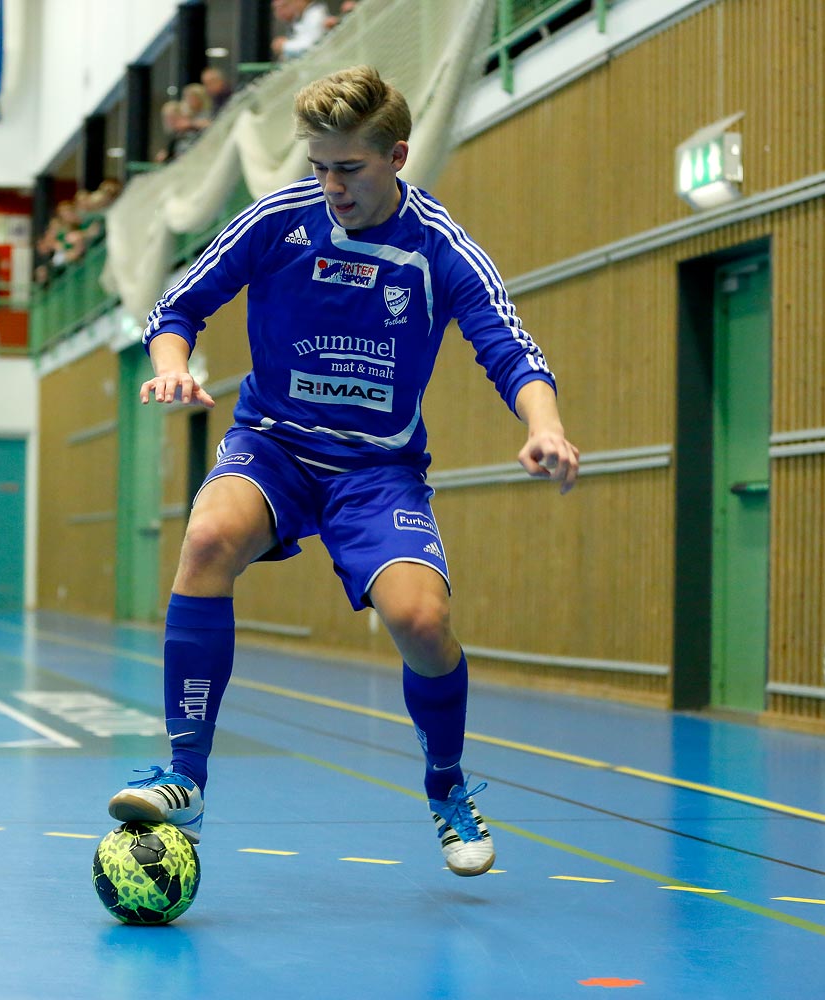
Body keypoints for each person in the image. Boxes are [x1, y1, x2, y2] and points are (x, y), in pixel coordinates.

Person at [107, 66, 580, 878]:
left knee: (423, 626)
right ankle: (186, 773)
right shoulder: (279, 220)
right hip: (275, 447)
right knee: (210, 535)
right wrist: (173, 364)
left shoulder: (437, 247)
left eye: (349, 168)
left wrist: (547, 428)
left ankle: (446, 786)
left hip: (377, 473)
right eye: (319, 165)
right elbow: (177, 307)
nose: (331, 186)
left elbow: (509, 348)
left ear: (397, 155)